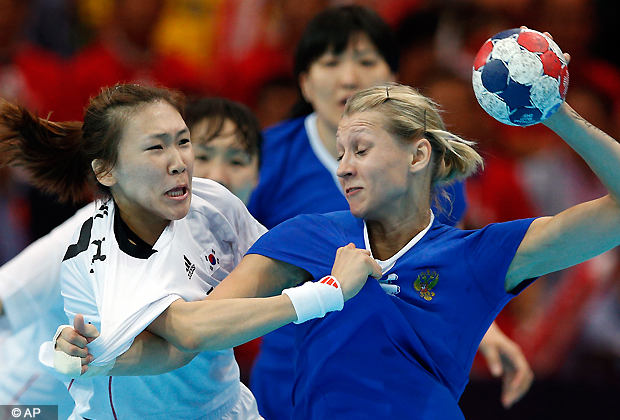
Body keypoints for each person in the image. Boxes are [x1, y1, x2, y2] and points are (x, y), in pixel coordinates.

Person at [64, 76, 620, 418]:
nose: (344, 166)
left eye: (360, 148)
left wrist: (555, 113)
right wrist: (106, 357)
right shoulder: (307, 236)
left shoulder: (479, 256)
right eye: (338, 152)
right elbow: (196, 335)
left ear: (418, 156)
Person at [0, 84, 380, 420]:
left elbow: (277, 259)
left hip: (224, 405)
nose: (179, 162)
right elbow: (189, 336)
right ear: (106, 171)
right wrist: (327, 292)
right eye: (155, 148)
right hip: (29, 399)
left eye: (183, 142)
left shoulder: (209, 200)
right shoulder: (101, 256)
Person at [245, 5, 530, 417]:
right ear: (305, 83)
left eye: (366, 60)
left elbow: (446, 264)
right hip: (287, 376)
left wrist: (488, 331)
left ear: (394, 80)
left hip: (394, 378)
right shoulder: (264, 158)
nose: (349, 76)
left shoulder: (430, 171)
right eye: (330, 62)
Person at [0, 94, 264, 416]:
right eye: (205, 155)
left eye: (236, 160)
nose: (218, 174)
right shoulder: (89, 235)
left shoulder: (214, 218)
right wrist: (317, 298)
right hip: (33, 395)